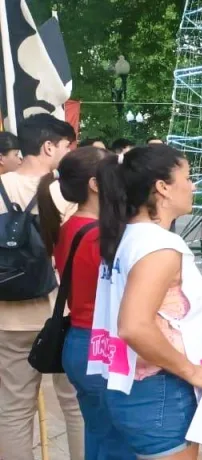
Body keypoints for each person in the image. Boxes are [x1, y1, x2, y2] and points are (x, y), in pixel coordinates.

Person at [93, 144, 202, 459]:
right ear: (162, 187)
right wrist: (192, 371)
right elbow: (134, 326)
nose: (193, 186)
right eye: (187, 178)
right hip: (161, 390)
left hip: (138, 386)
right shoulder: (158, 246)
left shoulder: (130, 236)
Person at [38, 147, 135, 460]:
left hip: (79, 342)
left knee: (98, 435)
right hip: (102, 344)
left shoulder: (69, 226)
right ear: (95, 184)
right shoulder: (99, 236)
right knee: (119, 443)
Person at [0, 114, 85, 460]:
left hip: (7, 316)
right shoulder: (64, 192)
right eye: (66, 146)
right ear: (49, 146)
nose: (68, 154)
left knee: (13, 408)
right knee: (76, 404)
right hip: (60, 313)